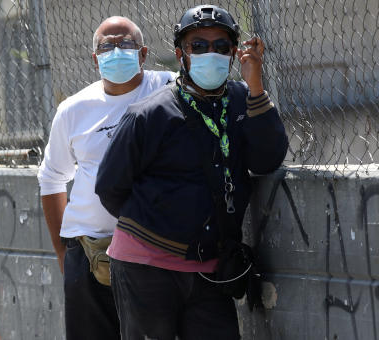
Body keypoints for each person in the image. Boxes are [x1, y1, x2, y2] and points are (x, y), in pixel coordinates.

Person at [95, 5, 288, 340]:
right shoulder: (150, 114)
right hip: (146, 268)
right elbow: (110, 187)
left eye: (220, 46)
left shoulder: (244, 101)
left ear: (232, 54)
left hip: (211, 270)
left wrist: (255, 85)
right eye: (198, 46)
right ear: (180, 54)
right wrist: (160, 226)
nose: (209, 53)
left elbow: (267, 160)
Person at [37, 16, 176, 340]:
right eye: (107, 45)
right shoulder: (73, 109)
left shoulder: (170, 89)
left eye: (125, 44)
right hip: (89, 254)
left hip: (157, 252)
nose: (116, 51)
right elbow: (52, 179)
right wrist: (63, 253)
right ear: (94, 58)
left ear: (143, 54)